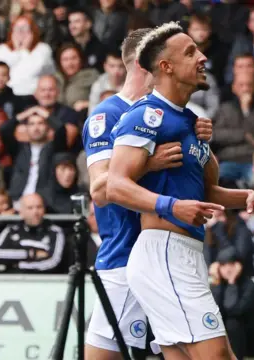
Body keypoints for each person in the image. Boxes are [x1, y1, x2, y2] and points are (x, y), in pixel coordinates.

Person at [106, 22, 254, 359]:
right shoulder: (147, 115)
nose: (203, 57)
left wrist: (245, 197)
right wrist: (170, 206)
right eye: (191, 52)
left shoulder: (190, 121)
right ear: (165, 67)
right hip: (163, 252)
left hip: (184, 254)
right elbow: (115, 185)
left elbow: (206, 190)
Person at [83, 28, 213, 360]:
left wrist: (198, 140)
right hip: (125, 254)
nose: (197, 60)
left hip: (166, 253)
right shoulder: (107, 115)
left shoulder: (175, 114)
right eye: (185, 53)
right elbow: (100, 190)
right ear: (153, 65)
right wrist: (149, 163)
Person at [0, 193, 68, 273]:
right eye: (30, 208)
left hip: (43, 280)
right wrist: (30, 254)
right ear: (21, 212)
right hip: (14, 281)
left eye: (39, 207)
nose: (35, 212)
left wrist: (21, 266)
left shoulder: (55, 232)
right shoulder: (11, 230)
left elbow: (54, 261)